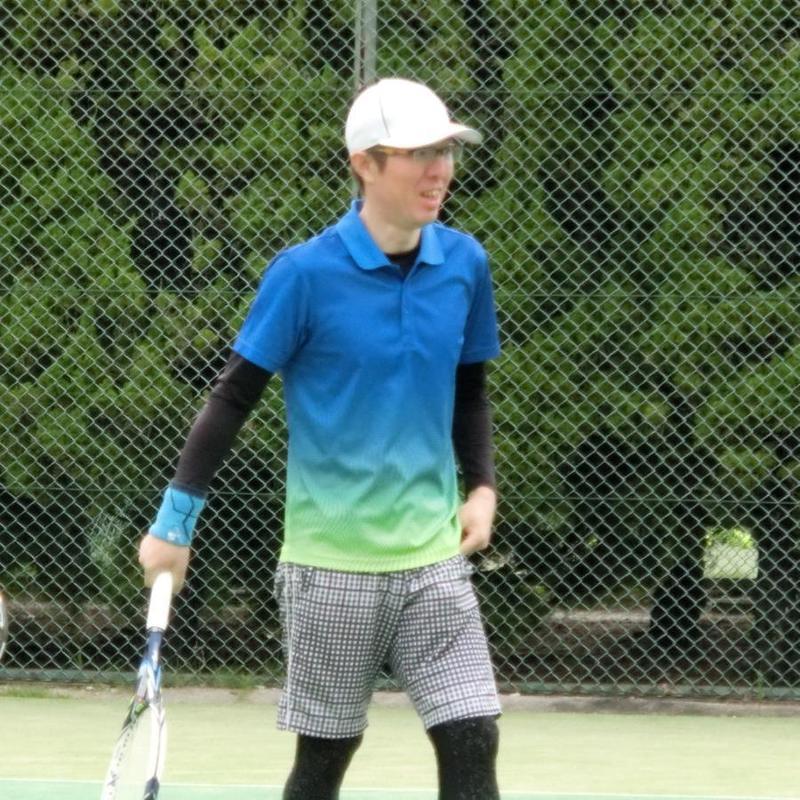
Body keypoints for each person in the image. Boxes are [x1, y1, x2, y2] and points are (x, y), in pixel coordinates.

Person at [138, 77, 502, 800]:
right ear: (365, 163)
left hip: (434, 562)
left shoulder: (465, 264)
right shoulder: (304, 275)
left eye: (446, 152)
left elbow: (469, 387)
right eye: (419, 154)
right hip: (329, 569)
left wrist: (482, 486)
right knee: (324, 762)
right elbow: (232, 397)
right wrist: (173, 526)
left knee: (473, 737)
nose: (440, 170)